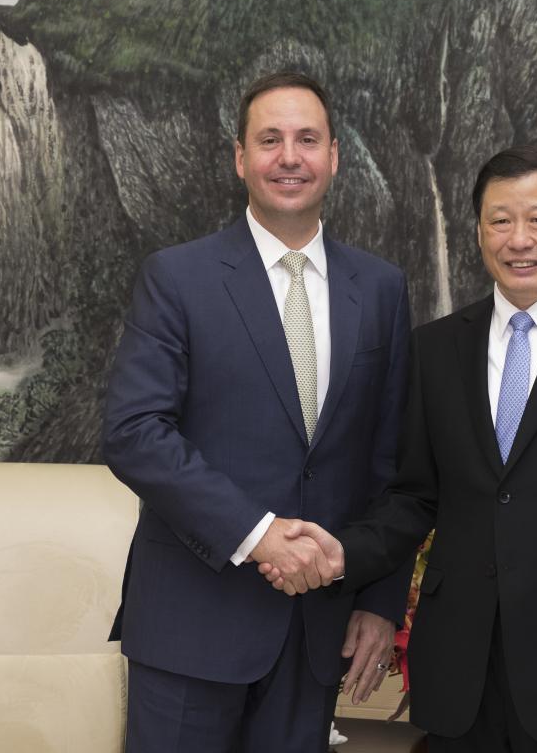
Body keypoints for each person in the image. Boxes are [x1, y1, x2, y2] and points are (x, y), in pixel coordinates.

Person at [264, 146, 537, 753]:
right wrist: (340, 557)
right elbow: (413, 496)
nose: (520, 240)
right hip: (459, 678)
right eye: (500, 220)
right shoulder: (436, 348)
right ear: (478, 231)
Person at [102, 71, 413, 753]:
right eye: (269, 140)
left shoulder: (382, 289)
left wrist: (377, 599)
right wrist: (257, 533)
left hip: (315, 633)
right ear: (240, 159)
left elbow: (390, 465)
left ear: (335, 156)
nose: (289, 156)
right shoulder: (176, 277)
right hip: (192, 623)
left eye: (307, 139)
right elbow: (134, 431)